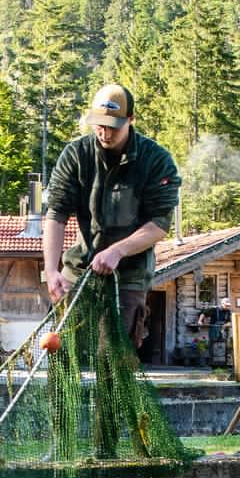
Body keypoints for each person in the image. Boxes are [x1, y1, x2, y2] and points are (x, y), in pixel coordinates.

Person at [40, 83, 181, 352]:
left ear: (130, 119)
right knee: (63, 354)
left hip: (129, 276)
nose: (104, 132)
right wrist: (50, 270)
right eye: (99, 125)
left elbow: (159, 224)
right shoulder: (75, 155)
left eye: (113, 126)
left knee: (113, 358)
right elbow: (56, 214)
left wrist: (118, 251)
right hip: (78, 269)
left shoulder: (156, 161)